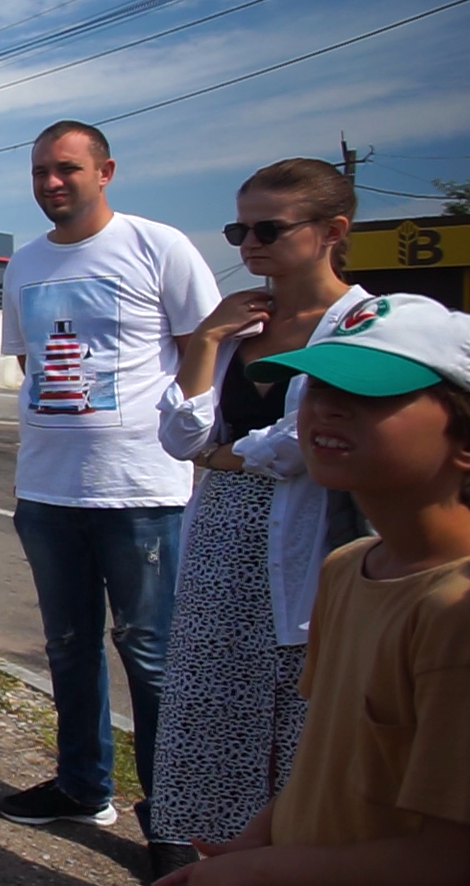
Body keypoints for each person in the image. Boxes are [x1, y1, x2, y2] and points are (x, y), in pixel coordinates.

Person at [152, 293, 470, 885]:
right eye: (317, 388)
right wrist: (264, 835)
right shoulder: (348, 567)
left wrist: (263, 871)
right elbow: (328, 759)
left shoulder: (456, 612)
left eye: (371, 394)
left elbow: (449, 857)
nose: (327, 410)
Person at [0, 121, 220, 864]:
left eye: (66, 169)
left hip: (141, 490)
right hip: (47, 489)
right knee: (68, 647)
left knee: (152, 658)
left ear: (106, 170)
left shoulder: (159, 247)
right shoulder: (23, 264)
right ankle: (83, 786)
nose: (52, 183)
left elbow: (203, 352)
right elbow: (30, 365)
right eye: (40, 172)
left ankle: (173, 821)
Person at [150, 159, 367, 865]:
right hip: (219, 551)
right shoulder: (244, 324)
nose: (249, 243)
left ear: (333, 231)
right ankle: (218, 860)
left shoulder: (364, 324)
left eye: (268, 228)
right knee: (216, 727)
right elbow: (181, 435)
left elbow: (302, 447)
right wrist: (207, 340)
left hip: (311, 553)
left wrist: (219, 454)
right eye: (238, 227)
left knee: (310, 736)